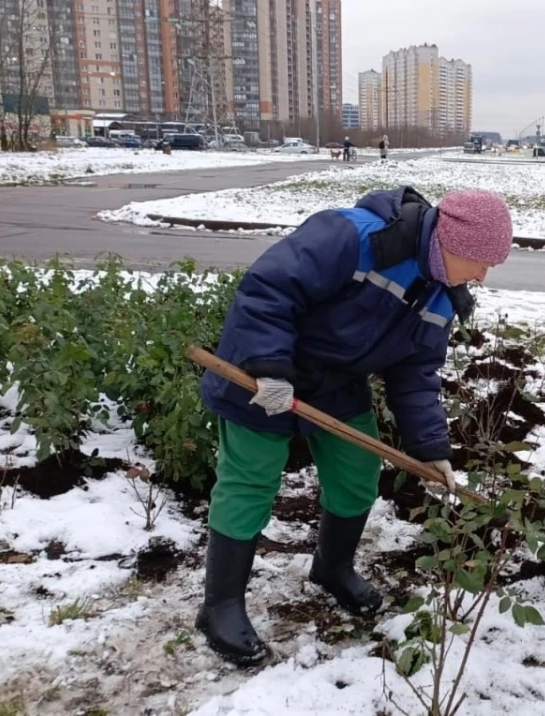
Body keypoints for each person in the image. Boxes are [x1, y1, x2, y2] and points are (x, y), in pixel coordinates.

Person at [196, 187, 514, 667]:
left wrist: (430, 445)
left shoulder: (441, 294)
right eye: (478, 260)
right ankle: (220, 606)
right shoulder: (354, 236)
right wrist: (270, 371)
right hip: (262, 370)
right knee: (250, 482)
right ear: (447, 239)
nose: (483, 275)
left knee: (357, 475)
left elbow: (415, 373)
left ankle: (332, 567)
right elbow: (269, 288)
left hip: (336, 384)